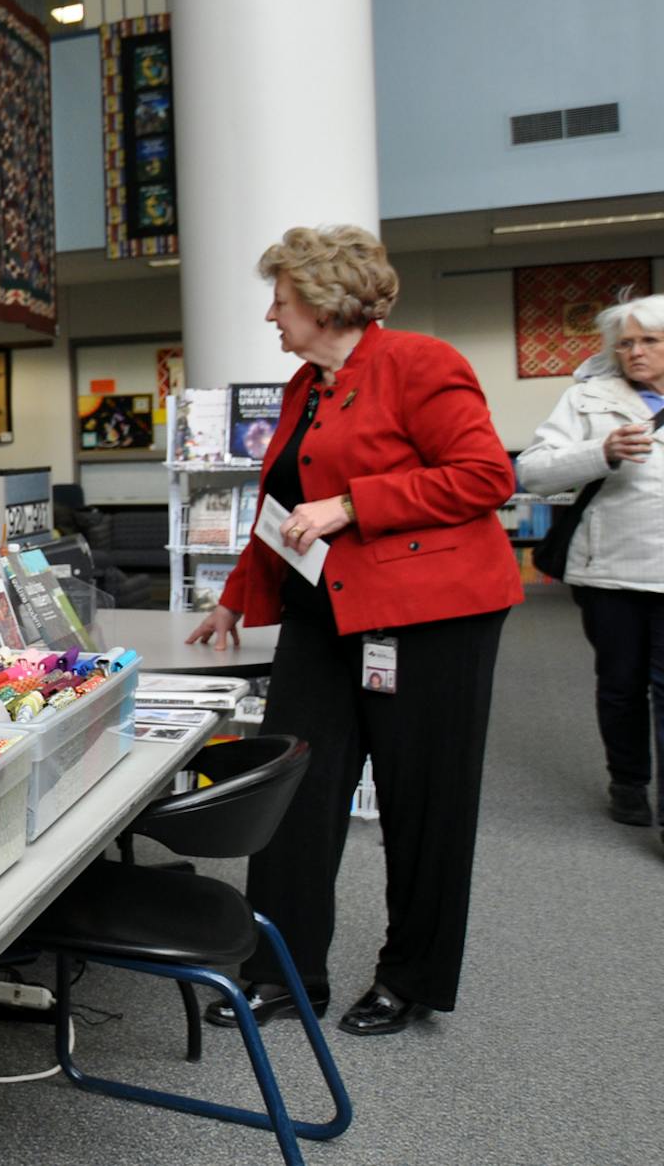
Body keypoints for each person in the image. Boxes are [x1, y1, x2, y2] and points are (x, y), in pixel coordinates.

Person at [186, 224, 522, 1037]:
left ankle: (411, 977)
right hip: (322, 618)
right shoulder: (308, 385)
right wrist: (235, 596)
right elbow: (284, 509)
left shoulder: (419, 364)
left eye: (282, 299)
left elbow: (485, 477)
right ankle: (280, 970)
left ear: (326, 303)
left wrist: (356, 503)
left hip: (430, 619)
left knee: (422, 802)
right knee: (294, 794)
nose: (272, 314)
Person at [517, 294, 664, 840]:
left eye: (649, 340)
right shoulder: (586, 398)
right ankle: (627, 782)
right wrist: (600, 452)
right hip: (609, 569)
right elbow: (532, 474)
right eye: (625, 343)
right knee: (620, 684)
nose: (635, 352)